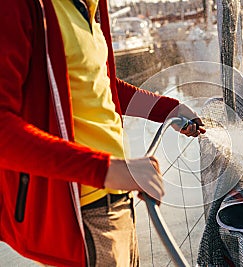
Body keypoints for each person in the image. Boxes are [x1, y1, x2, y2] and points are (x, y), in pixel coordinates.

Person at [0, 0, 205, 266]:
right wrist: (108, 170)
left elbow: (102, 87)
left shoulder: (89, 5)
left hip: (118, 202)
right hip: (84, 214)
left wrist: (168, 109)